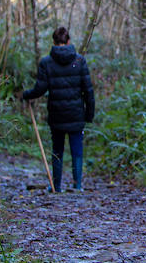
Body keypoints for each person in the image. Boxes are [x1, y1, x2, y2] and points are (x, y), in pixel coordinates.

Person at [22, 26, 95, 193]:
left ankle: (56, 185)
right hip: (76, 113)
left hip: (56, 114)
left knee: (57, 149)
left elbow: (40, 89)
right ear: (68, 41)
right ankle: (77, 185)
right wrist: (89, 115)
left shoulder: (46, 62)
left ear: (54, 42)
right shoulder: (79, 61)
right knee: (77, 149)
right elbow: (88, 91)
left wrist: (26, 95)